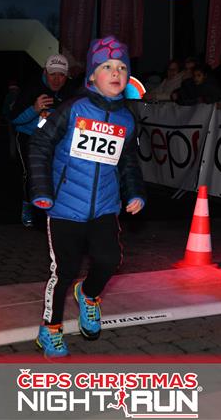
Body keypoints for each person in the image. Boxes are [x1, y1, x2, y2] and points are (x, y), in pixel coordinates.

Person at [28, 36, 146, 358]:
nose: (116, 72)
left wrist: (135, 192)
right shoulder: (73, 108)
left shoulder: (126, 118)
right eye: (107, 67)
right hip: (65, 206)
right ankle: (50, 329)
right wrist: (42, 191)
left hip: (104, 207)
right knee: (64, 272)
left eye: (122, 67)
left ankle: (89, 294)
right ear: (92, 75)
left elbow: (127, 161)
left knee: (110, 260)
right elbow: (39, 145)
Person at [10, 54, 77, 227]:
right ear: (45, 72)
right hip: (28, 136)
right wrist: (34, 109)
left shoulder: (70, 92)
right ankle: (27, 206)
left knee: (57, 173)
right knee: (30, 173)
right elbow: (14, 119)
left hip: (54, 140)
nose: (56, 79)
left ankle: (55, 210)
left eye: (61, 75)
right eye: (52, 74)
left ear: (67, 76)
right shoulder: (32, 89)